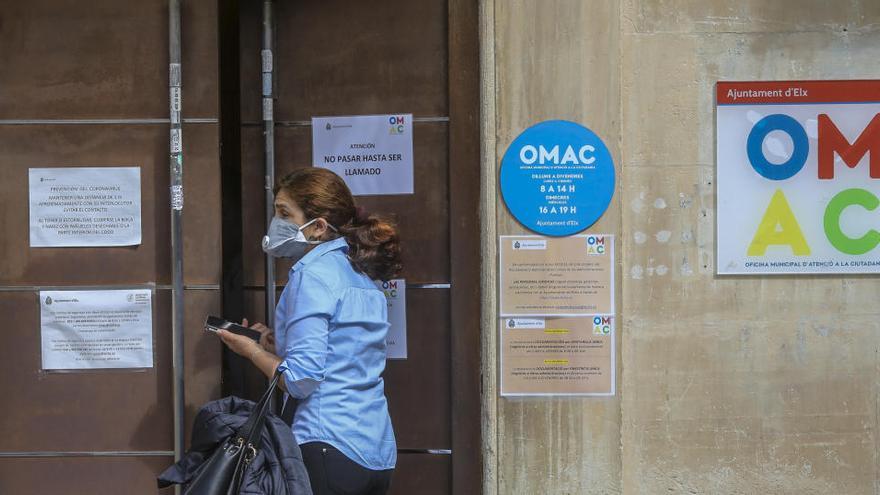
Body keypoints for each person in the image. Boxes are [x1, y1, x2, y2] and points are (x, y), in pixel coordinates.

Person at [216, 167, 401, 495]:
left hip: (326, 443)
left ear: (317, 227)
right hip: (376, 452)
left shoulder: (312, 274)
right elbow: (341, 353)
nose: (276, 222)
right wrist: (276, 345)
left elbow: (301, 381)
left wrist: (252, 352)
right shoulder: (360, 272)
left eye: (284, 212)